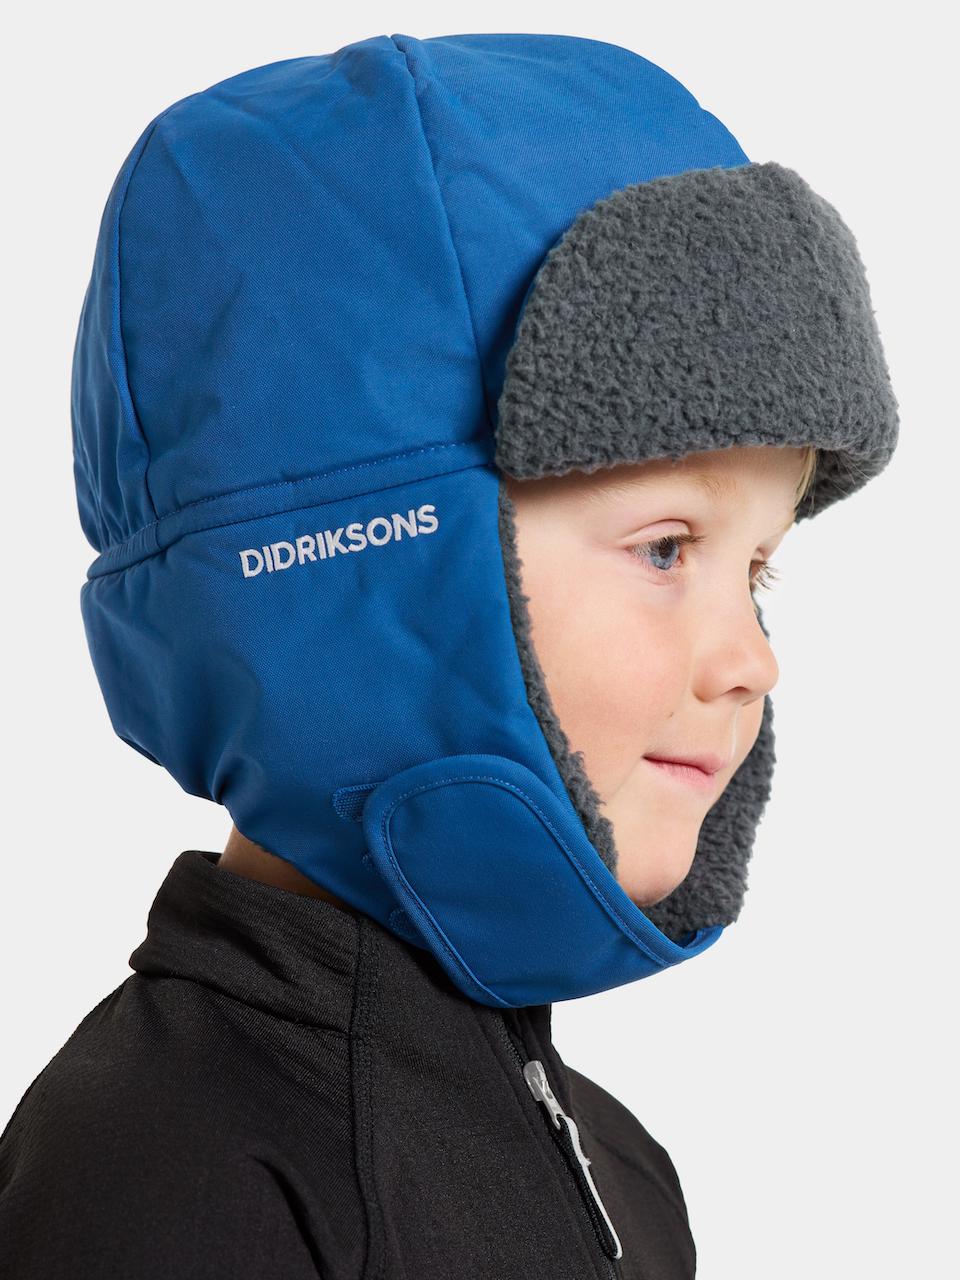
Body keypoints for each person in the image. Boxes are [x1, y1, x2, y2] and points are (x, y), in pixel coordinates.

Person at [0, 32, 898, 1279]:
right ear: (364, 569)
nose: (751, 660)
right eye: (665, 549)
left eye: (758, 569)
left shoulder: (621, 1165)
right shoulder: (171, 1177)